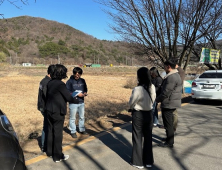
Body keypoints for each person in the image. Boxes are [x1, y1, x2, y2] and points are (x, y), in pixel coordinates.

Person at [45, 64, 78, 162]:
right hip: (57, 111)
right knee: (58, 133)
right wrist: (76, 98)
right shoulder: (60, 84)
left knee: (51, 131)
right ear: (61, 74)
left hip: (49, 110)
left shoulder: (50, 83)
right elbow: (68, 97)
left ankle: (50, 152)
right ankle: (58, 156)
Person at [129, 67, 156, 169]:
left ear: (139, 76)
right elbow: (153, 100)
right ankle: (148, 161)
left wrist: (131, 108)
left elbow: (132, 102)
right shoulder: (152, 86)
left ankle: (138, 162)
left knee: (137, 138)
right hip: (149, 114)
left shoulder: (137, 89)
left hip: (138, 114)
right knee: (148, 138)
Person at [156, 58, 182, 148]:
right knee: (168, 123)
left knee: (168, 124)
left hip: (169, 103)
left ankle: (169, 142)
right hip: (172, 102)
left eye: (164, 66)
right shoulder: (175, 75)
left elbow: (166, 92)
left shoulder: (171, 77)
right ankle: (168, 139)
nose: (164, 68)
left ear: (169, 66)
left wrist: (157, 99)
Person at [66, 67, 88, 138]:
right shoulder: (69, 81)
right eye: (76, 74)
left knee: (82, 117)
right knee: (72, 118)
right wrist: (77, 94)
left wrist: (85, 93)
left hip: (81, 102)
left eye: (79, 74)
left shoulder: (82, 80)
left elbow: (85, 88)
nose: (77, 75)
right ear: (74, 73)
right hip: (73, 102)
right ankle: (73, 131)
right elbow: (67, 91)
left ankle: (81, 129)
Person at [37, 64, 55, 152]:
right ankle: (45, 145)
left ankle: (44, 145)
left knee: (46, 125)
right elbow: (47, 96)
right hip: (45, 107)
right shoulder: (47, 82)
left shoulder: (43, 80)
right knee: (47, 126)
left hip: (42, 106)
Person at [173, 63, 185, 132]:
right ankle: (173, 127)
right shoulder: (179, 70)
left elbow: (178, 83)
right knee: (174, 112)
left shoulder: (179, 71)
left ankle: (173, 127)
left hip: (175, 93)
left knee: (174, 112)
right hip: (177, 92)